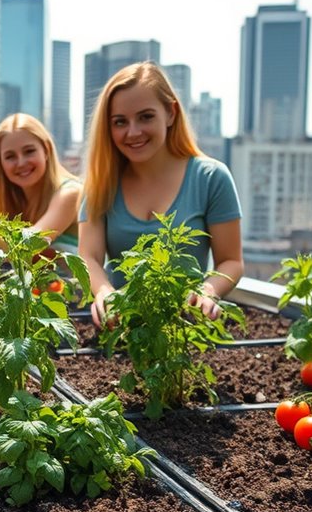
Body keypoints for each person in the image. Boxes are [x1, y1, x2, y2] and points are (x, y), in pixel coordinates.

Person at [79, 62, 243, 326]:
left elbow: (231, 261)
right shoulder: (101, 182)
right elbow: (89, 256)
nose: (133, 132)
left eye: (145, 117)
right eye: (120, 122)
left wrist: (207, 290)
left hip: (184, 332)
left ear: (170, 113)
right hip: (119, 330)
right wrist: (104, 292)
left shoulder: (211, 178)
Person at [0, 113, 82, 254]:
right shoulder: (6, 200)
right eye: (10, 156)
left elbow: (31, 246)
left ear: (46, 150)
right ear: (0, 163)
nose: (21, 162)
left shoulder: (69, 193)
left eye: (29, 151)